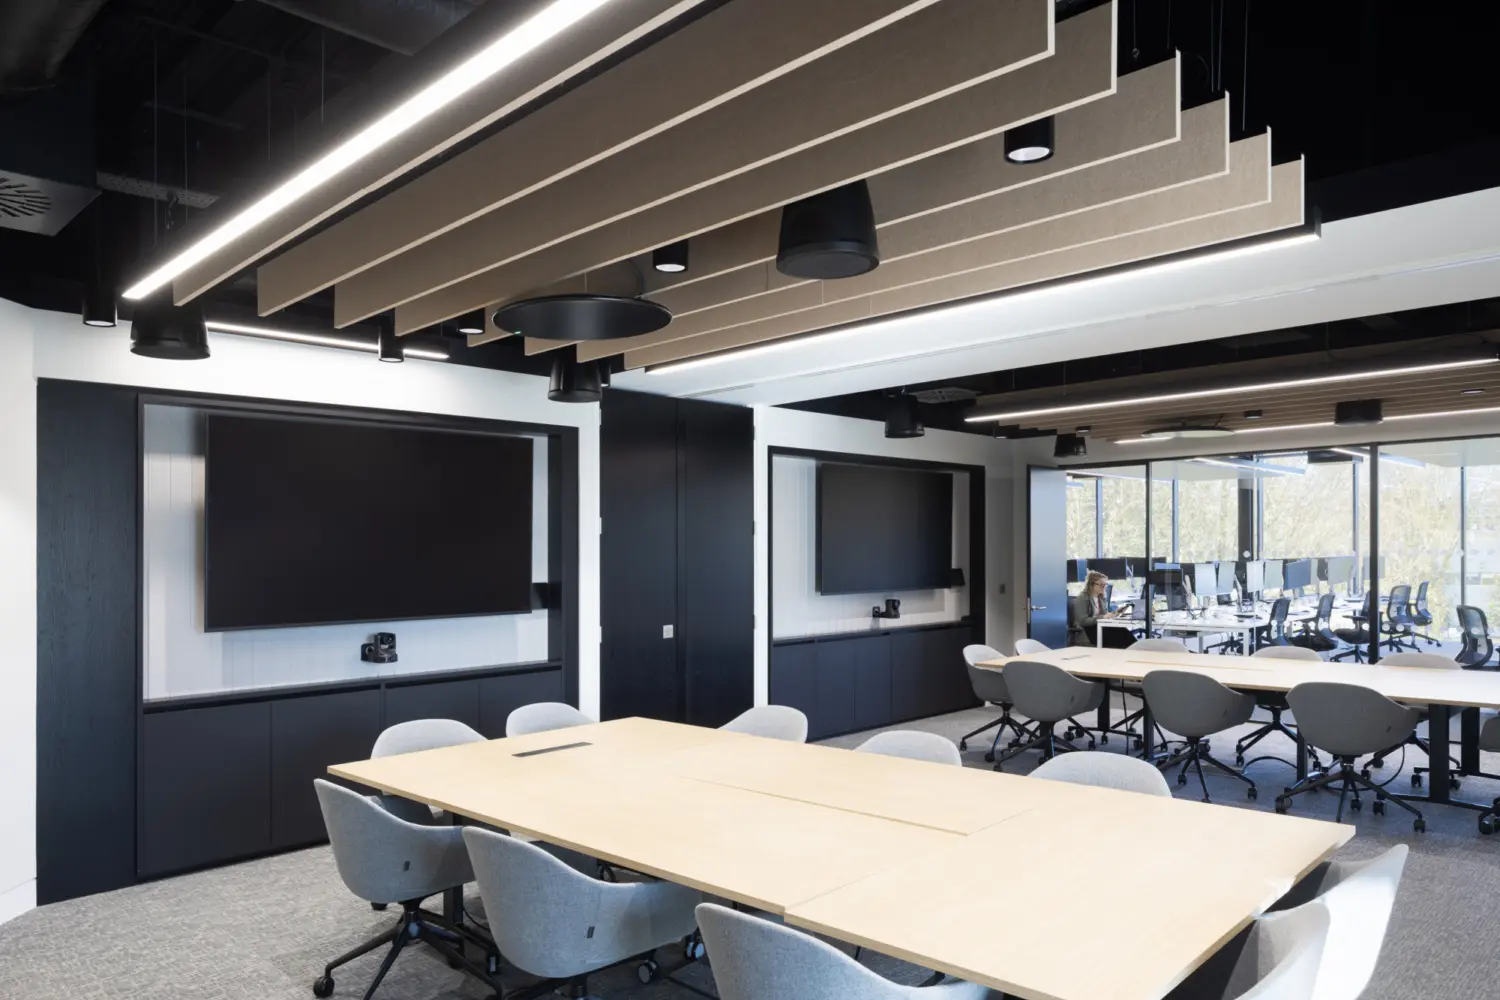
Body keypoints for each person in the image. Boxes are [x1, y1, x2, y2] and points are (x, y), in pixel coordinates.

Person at [1069, 570, 1134, 648]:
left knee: (1123, 631)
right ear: (1091, 585)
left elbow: (1104, 615)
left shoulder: (1101, 598)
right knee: (1119, 636)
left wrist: (1115, 613)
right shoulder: (1083, 598)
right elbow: (1083, 621)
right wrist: (1102, 617)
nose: (1104, 587)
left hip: (1100, 627)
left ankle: (1138, 651)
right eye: (1101, 585)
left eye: (1105, 585)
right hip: (1089, 631)